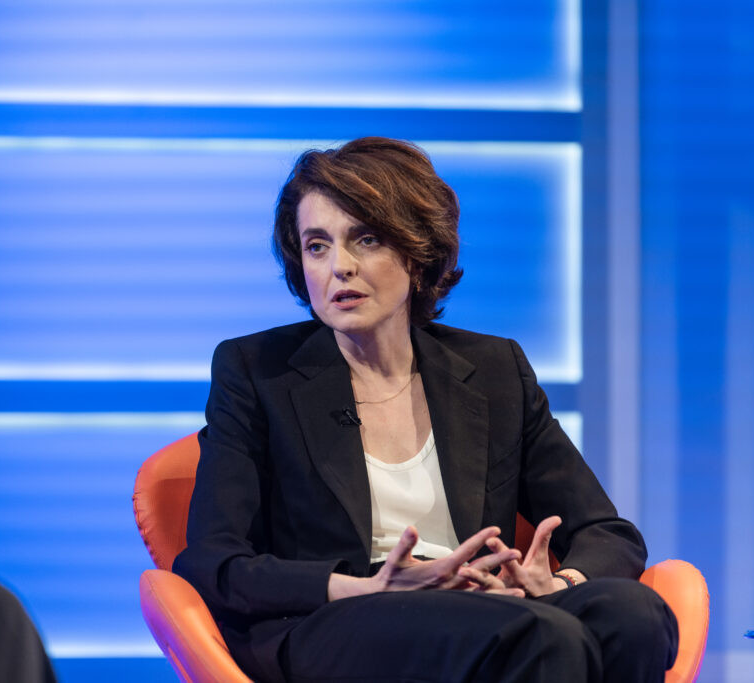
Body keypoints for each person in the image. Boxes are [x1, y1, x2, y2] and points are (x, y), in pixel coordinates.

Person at [173, 137, 678, 682]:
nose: (340, 266)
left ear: (417, 251)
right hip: (338, 617)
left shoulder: (493, 370)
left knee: (635, 616)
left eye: (366, 239)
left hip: (486, 607)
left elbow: (606, 532)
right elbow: (214, 561)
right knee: (541, 635)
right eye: (317, 245)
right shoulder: (256, 370)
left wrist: (558, 582)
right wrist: (364, 586)